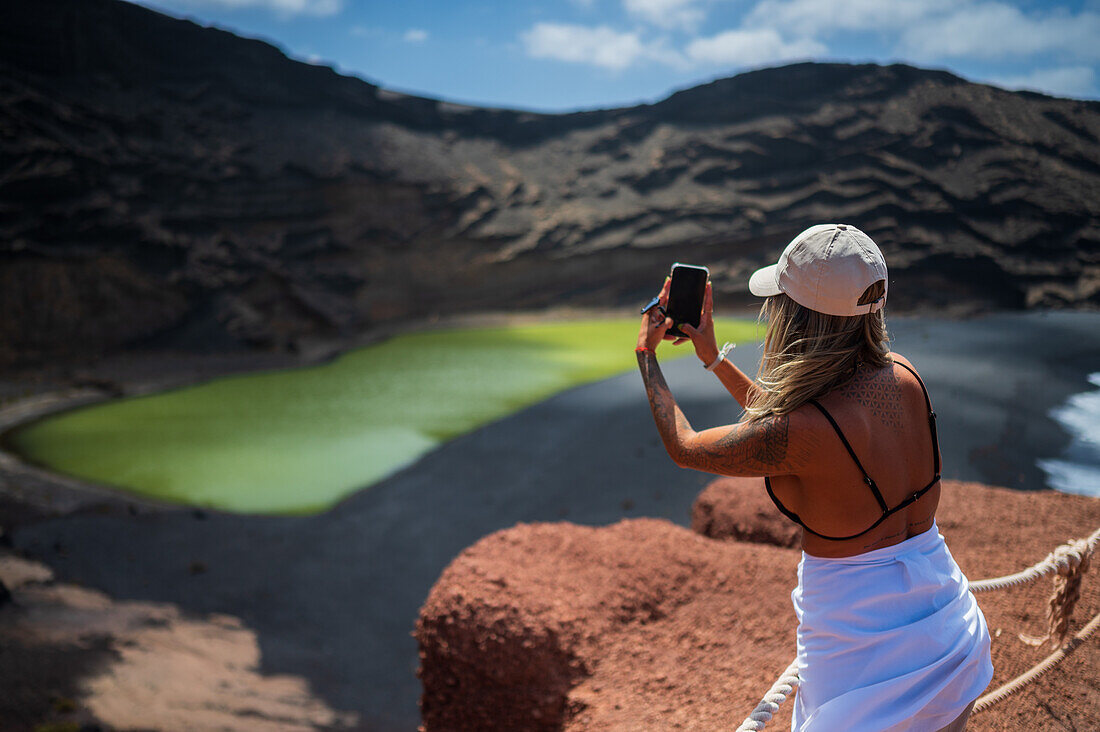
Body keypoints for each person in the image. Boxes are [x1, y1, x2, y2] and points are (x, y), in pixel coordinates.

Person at [635, 224, 993, 731]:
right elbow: (806, 434)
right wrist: (713, 358)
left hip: (864, 667)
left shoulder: (804, 431)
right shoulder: (904, 375)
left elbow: (686, 446)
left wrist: (646, 356)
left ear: (796, 316)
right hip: (951, 639)